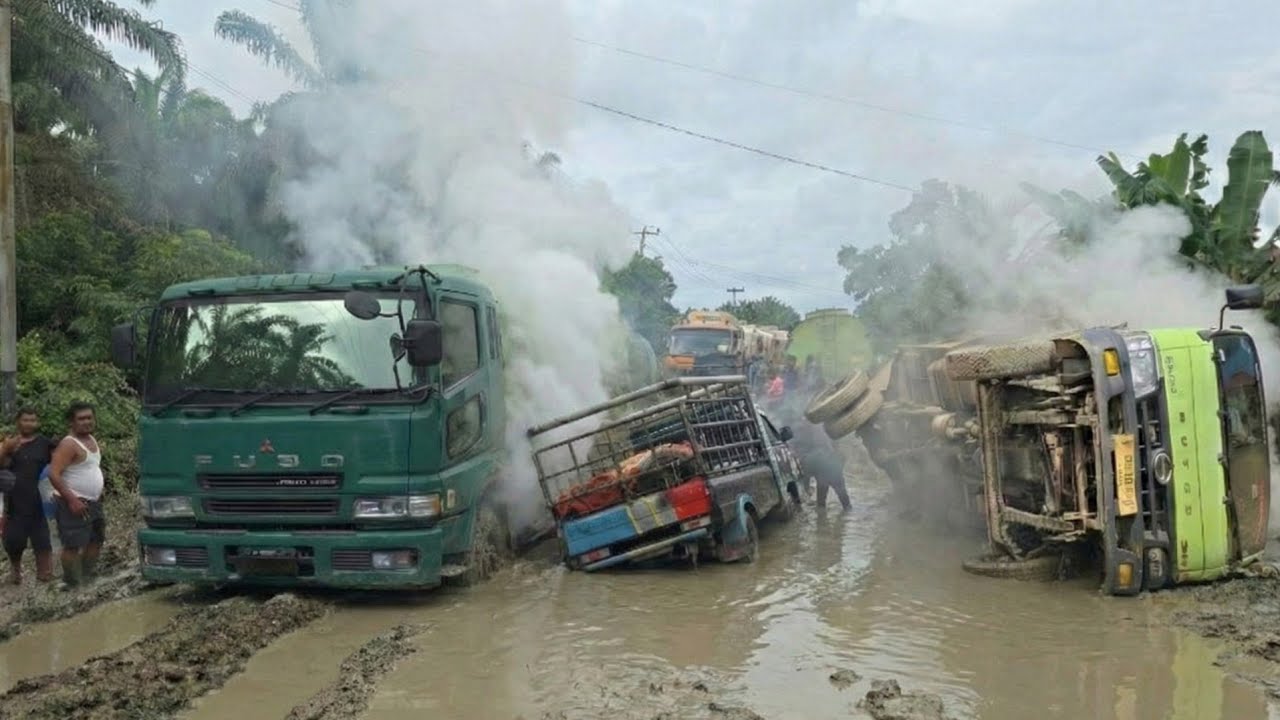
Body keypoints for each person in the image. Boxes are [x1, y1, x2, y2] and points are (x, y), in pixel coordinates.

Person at [48, 402, 106, 588]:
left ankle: (87, 577)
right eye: (81, 419)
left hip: (93, 502)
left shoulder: (92, 440)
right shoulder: (68, 444)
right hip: (72, 503)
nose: (86, 421)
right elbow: (53, 474)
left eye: (89, 417)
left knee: (96, 540)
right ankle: (72, 583)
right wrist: (72, 500)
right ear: (71, 422)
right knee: (73, 544)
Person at [0, 408, 56, 584]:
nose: (29, 423)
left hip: (39, 502)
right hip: (14, 502)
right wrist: (5, 449)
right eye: (25, 420)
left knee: (43, 541)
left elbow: (57, 465)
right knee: (13, 542)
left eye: (33, 420)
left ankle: (45, 576)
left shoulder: (45, 444)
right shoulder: (10, 443)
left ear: (37, 423)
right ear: (18, 422)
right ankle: (15, 573)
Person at [779, 405, 852, 512]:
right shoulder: (818, 429)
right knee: (843, 499)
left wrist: (806, 488)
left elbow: (805, 474)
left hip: (824, 469)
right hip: (832, 466)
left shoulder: (804, 437)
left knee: (822, 501)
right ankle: (842, 513)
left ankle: (822, 520)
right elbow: (840, 452)